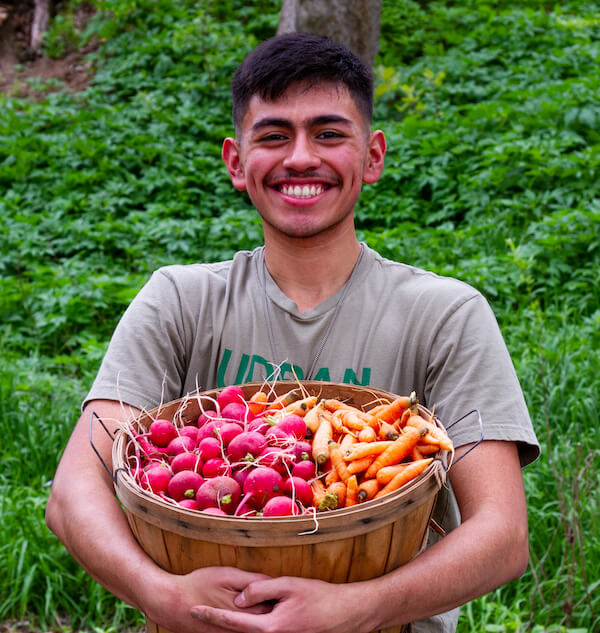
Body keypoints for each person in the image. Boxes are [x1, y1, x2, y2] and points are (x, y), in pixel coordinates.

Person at [46, 33, 540, 633]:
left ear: (373, 156)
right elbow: (74, 494)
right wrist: (159, 593)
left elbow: (504, 535)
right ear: (236, 161)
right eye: (274, 136)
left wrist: (358, 608)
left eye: (329, 134)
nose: (301, 158)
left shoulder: (443, 314)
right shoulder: (181, 300)